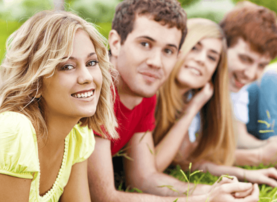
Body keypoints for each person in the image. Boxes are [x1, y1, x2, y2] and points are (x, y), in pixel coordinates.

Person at [88, 0, 259, 201]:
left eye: (167, 51)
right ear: (116, 43)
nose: (155, 62)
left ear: (177, 55)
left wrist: (212, 190)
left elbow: (143, 177)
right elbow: (103, 197)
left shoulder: (145, 94)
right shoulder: (97, 90)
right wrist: (205, 200)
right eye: (145, 44)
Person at [0, 10, 118, 201]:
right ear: (35, 82)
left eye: (92, 62)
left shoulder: (78, 134)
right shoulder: (12, 132)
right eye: (67, 66)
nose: (87, 77)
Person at [153, 18, 277, 188]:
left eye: (211, 57)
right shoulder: (152, 89)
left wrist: (245, 174)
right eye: (194, 48)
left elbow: (185, 156)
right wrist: (260, 155)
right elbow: (151, 172)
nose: (201, 60)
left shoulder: (199, 93)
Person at [219, 1, 277, 167]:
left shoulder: (236, 86)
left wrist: (268, 147)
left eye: (261, 65)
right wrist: (259, 156)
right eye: (245, 59)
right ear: (223, 44)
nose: (250, 74)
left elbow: (239, 136)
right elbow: (187, 154)